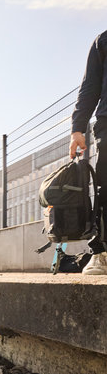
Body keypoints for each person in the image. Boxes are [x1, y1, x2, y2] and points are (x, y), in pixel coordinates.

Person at [69, 31, 107, 275]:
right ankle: (102, 253)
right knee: (105, 186)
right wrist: (77, 128)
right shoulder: (103, 40)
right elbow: (90, 85)